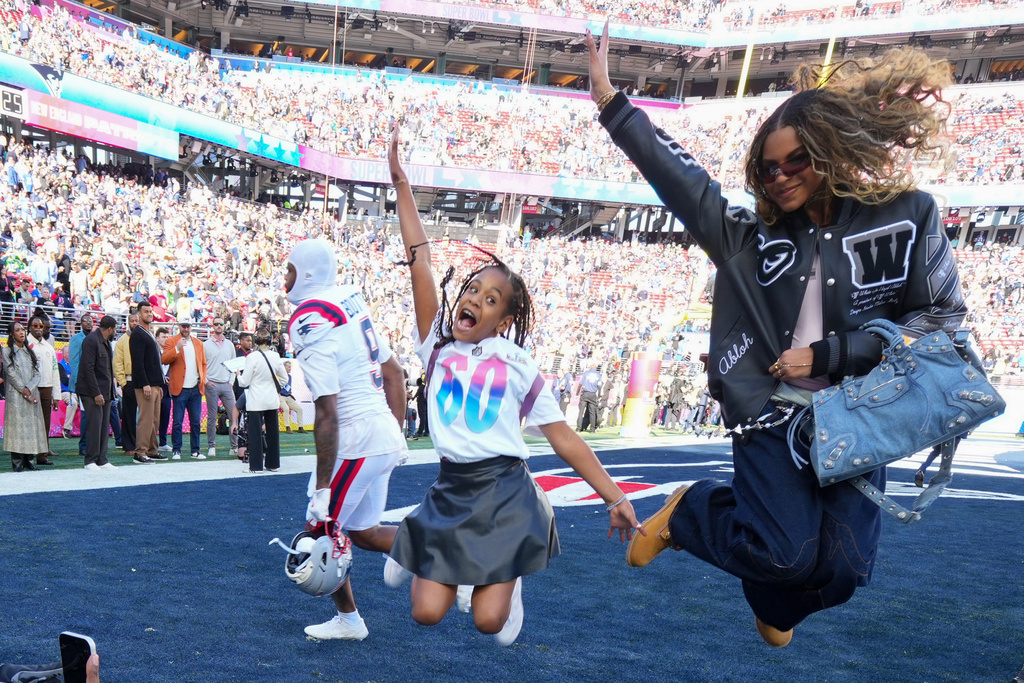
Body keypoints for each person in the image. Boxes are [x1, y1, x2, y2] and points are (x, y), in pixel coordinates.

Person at [587, 24, 967, 647]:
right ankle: (691, 512)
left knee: (845, 570)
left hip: (861, 416)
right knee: (784, 554)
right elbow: (682, 185)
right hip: (773, 414)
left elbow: (942, 320)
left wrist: (837, 353)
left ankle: (773, 602)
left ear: (832, 150)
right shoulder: (746, 238)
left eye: (797, 161)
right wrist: (612, 105)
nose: (781, 177)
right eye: (768, 170)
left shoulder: (909, 215)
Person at [385, 126, 642, 646]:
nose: (476, 299)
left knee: (488, 623)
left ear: (503, 320)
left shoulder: (517, 362)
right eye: (474, 289)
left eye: (492, 298)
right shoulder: (434, 343)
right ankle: (431, 543)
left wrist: (613, 495)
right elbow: (421, 259)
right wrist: (400, 184)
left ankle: (508, 577)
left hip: (504, 491)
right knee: (426, 614)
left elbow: (563, 437)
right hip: (452, 486)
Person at [284, 238, 409, 640]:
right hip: (381, 432)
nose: (284, 278)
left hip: (357, 439)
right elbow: (396, 374)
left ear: (305, 274)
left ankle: (350, 621)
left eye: (288, 270)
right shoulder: (350, 300)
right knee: (364, 532)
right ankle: (432, 553)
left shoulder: (310, 317)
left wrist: (323, 487)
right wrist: (398, 430)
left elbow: (326, 410)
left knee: (320, 534)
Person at [236, 329, 287, 473]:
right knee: (272, 433)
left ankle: (256, 466)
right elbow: (284, 379)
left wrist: (238, 375)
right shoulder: (276, 356)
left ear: (256, 341)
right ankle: (273, 464)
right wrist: (275, 388)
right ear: (269, 341)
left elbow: (244, 382)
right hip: (271, 399)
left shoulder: (252, 357)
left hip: (256, 399)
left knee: (255, 434)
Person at [3, 321, 48, 472]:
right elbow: (10, 374)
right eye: (17, 330)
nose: (21, 332)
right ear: (11, 334)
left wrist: (29, 388)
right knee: (17, 428)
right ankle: (17, 462)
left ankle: (29, 460)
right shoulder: (6, 350)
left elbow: (37, 373)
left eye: (22, 329)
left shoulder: (30, 351)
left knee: (31, 428)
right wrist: (24, 390)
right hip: (16, 396)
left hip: (31, 394)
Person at [162, 315, 208, 460]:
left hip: (195, 388)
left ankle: (195, 450)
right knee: (177, 422)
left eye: (188, 326)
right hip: (180, 389)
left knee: (195, 422)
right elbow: (164, 360)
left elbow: (203, 363)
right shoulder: (171, 341)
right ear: (179, 326)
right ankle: (177, 450)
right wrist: (177, 348)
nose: (186, 328)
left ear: (191, 327)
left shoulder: (198, 343)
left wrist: (203, 378)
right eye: (183, 326)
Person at [78, 316, 118, 470]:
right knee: (94, 424)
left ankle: (102, 459)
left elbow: (107, 370)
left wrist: (110, 392)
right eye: (114, 329)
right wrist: (96, 393)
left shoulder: (106, 342)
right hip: (91, 392)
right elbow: (87, 368)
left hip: (105, 391)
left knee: (103, 426)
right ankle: (90, 460)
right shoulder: (91, 341)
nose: (115, 332)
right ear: (110, 329)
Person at [130, 301, 165, 462]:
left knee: (154, 420)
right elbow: (138, 362)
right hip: (145, 384)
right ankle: (140, 452)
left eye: (150, 311)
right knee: (146, 419)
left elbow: (154, 361)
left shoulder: (149, 333)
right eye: (146, 312)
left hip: (155, 383)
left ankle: (152, 450)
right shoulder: (137, 333)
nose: (149, 314)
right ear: (139, 314)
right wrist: (145, 383)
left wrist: (159, 383)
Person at [203, 316, 238, 457]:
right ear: (212, 326)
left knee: (233, 416)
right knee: (212, 417)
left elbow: (234, 364)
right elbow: (201, 364)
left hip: (226, 384)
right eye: (216, 324)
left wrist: (231, 381)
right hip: (212, 384)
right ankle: (212, 446)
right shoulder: (205, 344)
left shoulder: (229, 344)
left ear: (224, 326)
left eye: (220, 324)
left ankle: (234, 446)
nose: (218, 326)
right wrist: (206, 381)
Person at [113, 312, 145, 462]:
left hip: (144, 381)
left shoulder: (145, 337)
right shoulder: (121, 341)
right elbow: (117, 364)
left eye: (136, 321)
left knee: (146, 416)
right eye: (132, 321)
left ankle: (145, 445)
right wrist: (123, 383)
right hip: (129, 382)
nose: (134, 323)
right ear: (128, 323)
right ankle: (129, 446)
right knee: (129, 415)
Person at [27, 315, 58, 466]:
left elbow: (55, 372)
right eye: (35, 325)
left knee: (45, 422)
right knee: (30, 423)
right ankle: (27, 455)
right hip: (30, 389)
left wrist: (56, 395)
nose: (39, 328)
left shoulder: (49, 348)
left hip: (46, 387)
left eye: (41, 326)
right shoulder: (25, 344)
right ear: (29, 327)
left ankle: (42, 455)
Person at [67, 313, 93, 453]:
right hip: (82, 382)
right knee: (85, 414)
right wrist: (78, 382)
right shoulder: (76, 339)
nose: (88, 323)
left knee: (92, 414)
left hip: (94, 382)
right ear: (81, 323)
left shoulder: (95, 337)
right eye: (85, 321)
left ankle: (91, 444)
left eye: (90, 321)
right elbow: (74, 362)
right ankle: (83, 446)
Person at [277, 359, 304, 433]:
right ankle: (287, 427)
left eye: (290, 367)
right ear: (284, 367)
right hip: (281, 396)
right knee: (286, 409)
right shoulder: (279, 376)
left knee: (299, 409)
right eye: (288, 367)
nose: (290, 369)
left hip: (288, 396)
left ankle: (300, 427)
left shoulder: (290, 377)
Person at [575, 363, 602, 432]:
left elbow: (580, 383)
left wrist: (577, 393)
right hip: (592, 394)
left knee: (581, 411)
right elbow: (599, 386)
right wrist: (598, 395)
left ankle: (578, 428)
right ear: (596, 367)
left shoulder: (586, 373)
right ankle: (592, 429)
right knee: (592, 412)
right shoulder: (598, 375)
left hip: (585, 393)